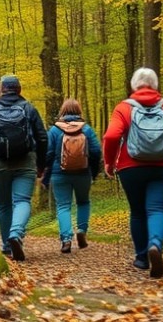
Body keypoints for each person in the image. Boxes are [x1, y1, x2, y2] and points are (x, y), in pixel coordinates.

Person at [103, 68, 163, 278]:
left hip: (130, 168)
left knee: (137, 212)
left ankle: (142, 257)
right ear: (155, 85)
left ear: (134, 86)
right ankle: (155, 245)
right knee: (157, 210)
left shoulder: (124, 108)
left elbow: (111, 136)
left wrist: (109, 163)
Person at [0, 75, 48, 261]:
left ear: (1, 89)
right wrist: (41, 165)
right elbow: (42, 138)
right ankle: (16, 234)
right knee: (22, 200)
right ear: (19, 89)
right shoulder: (29, 108)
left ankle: (8, 244)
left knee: (3, 204)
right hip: (26, 162)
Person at [42, 98, 102, 253]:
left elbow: (47, 155)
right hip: (83, 173)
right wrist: (93, 172)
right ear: (79, 111)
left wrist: (45, 175)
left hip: (59, 173)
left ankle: (66, 239)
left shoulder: (55, 130)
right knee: (83, 202)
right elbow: (96, 152)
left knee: (63, 206)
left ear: (63, 111)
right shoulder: (86, 129)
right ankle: (82, 230)